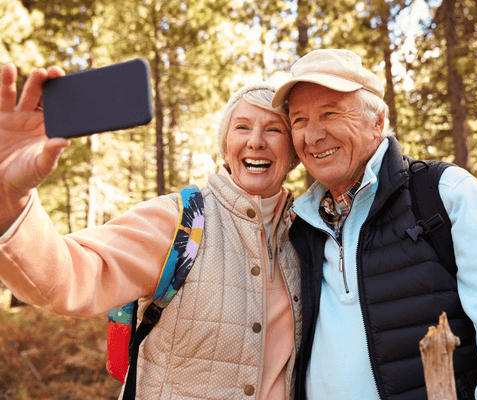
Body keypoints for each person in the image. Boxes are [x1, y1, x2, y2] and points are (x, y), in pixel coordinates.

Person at [271, 49, 477, 400]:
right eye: (299, 121)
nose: (313, 135)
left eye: (329, 113)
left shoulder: (444, 194)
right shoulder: (300, 227)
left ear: (377, 121)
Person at [0, 62, 302, 400]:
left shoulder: (308, 238)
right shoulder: (182, 219)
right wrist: (10, 202)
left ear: (295, 154)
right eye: (242, 127)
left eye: (274, 130)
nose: (256, 141)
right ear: (225, 149)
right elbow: (72, 275)